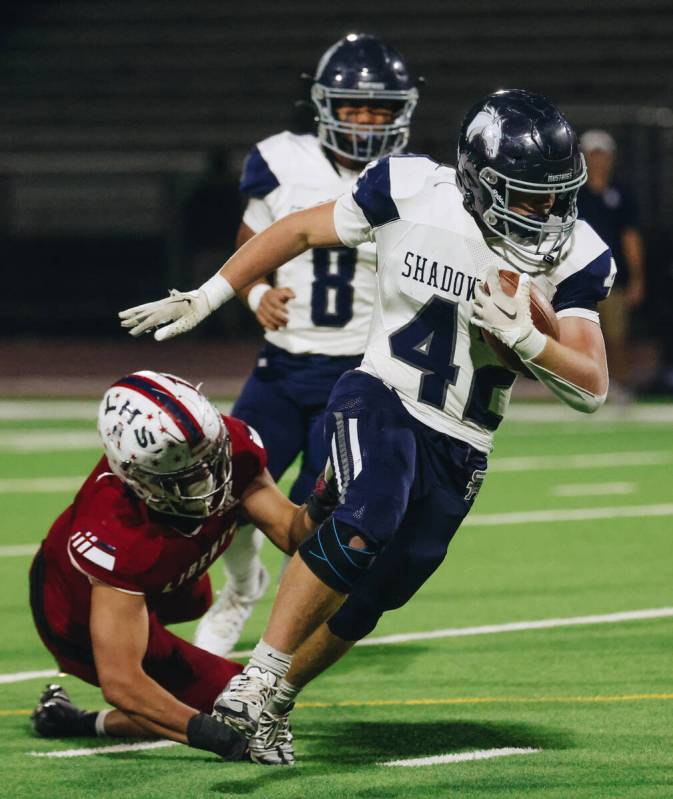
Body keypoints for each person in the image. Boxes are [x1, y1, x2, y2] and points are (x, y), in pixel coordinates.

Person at [119, 89, 614, 765]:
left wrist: (528, 338)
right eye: (528, 196)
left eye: (557, 195)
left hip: (462, 441)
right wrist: (211, 294)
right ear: (478, 180)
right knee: (371, 506)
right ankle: (255, 672)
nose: (547, 212)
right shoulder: (410, 189)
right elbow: (296, 229)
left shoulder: (574, 251)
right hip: (380, 391)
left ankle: (273, 700)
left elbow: (589, 383)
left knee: (378, 594)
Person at [193, 32, 419, 657]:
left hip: (357, 378)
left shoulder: (412, 181)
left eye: (380, 109)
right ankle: (239, 590)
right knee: (224, 491)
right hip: (280, 368)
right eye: (355, 108)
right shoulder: (280, 159)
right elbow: (249, 239)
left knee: (312, 525)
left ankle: (281, 645)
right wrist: (251, 292)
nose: (369, 121)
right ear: (324, 105)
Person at [29, 370, 337, 760]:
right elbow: (123, 682)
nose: (212, 478)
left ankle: (73, 719)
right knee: (236, 711)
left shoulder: (223, 444)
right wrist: (221, 740)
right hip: (76, 605)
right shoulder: (114, 530)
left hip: (171, 579)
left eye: (211, 458)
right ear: (138, 478)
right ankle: (72, 720)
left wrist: (322, 504)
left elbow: (290, 534)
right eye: (189, 477)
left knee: (198, 603)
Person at [577, 129, 645, 398]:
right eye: (592, 155)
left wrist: (638, 278)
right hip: (579, 277)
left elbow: (631, 239)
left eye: (602, 155)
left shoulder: (622, 196)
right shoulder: (574, 195)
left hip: (613, 278)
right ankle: (582, 388)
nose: (598, 161)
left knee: (617, 338)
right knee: (580, 335)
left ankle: (619, 388)